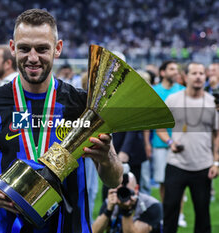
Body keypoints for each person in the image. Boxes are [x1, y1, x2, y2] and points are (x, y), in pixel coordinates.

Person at [0, 9, 123, 233]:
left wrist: (106, 159)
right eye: (24, 48)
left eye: (42, 48)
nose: (33, 57)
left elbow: (114, 179)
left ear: (57, 48)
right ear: (12, 48)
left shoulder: (83, 105)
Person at [157, 62, 219, 233]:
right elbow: (160, 126)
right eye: (194, 73)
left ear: (205, 77)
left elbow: (217, 134)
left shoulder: (212, 102)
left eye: (201, 73)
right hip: (176, 164)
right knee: (170, 211)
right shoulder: (173, 100)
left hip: (203, 166)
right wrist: (170, 142)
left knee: (203, 214)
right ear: (186, 77)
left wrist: (216, 162)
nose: (198, 76)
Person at [151, 61, 185, 202]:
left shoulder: (183, 90)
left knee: (181, 181)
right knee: (163, 181)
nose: (176, 72)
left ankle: (180, 214)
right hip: (160, 143)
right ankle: (166, 213)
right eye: (172, 69)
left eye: (177, 69)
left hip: (180, 144)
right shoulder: (154, 91)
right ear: (163, 72)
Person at [92, 172, 163, 233]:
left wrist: (126, 211)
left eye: (127, 191)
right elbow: (94, 231)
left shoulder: (151, 205)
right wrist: (108, 211)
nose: (123, 196)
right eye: (120, 191)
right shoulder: (112, 201)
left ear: (136, 189)